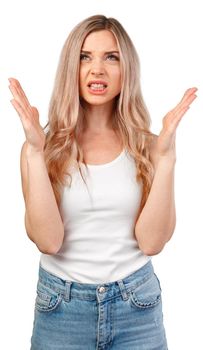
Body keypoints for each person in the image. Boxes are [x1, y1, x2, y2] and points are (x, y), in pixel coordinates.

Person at [9, 14, 197, 350]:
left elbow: (152, 242)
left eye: (111, 57)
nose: (97, 69)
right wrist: (36, 154)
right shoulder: (41, 147)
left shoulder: (150, 147)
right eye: (85, 57)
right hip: (61, 310)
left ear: (127, 70)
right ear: (72, 68)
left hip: (137, 309)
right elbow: (48, 241)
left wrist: (166, 158)